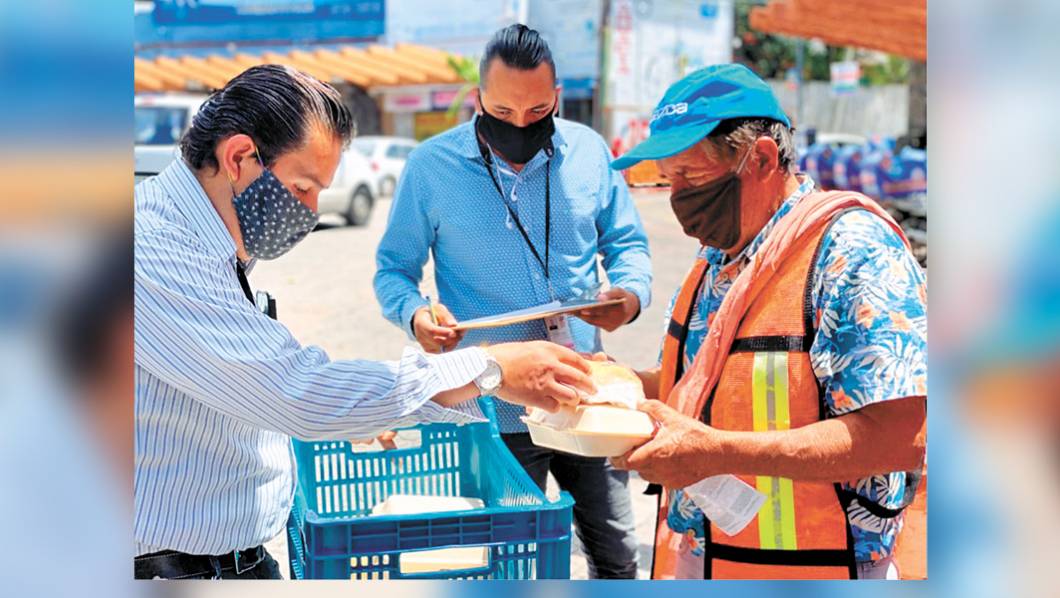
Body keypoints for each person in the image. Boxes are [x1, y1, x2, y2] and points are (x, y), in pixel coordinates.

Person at [134, 65, 596, 580]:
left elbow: (243, 383)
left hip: (227, 561)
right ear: (239, 157)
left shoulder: (208, 247)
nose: (310, 211)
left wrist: (367, 410)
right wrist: (488, 368)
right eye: (302, 186)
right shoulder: (152, 248)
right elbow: (294, 390)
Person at [608, 64, 927, 579]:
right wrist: (612, 388)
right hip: (712, 555)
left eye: (689, 176)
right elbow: (705, 389)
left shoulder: (853, 251)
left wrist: (718, 453)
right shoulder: (718, 260)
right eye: (669, 180)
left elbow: (899, 436)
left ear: (759, 158)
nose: (677, 197)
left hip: (822, 567)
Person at [373, 25, 651, 578]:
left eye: (537, 111)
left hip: (586, 397)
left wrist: (629, 295)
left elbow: (628, 243)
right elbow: (393, 271)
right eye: (502, 111)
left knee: (617, 554)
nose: (520, 125)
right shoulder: (431, 168)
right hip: (493, 407)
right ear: (478, 98)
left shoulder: (590, 153)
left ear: (557, 96)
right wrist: (417, 314)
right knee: (511, 562)